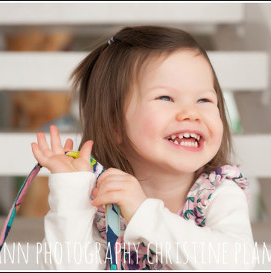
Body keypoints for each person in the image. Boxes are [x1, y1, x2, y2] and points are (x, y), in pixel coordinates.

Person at [33, 26, 255, 269]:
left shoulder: (217, 192)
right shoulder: (103, 198)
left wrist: (143, 212)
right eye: (166, 98)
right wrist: (71, 195)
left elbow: (236, 264)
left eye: (204, 100)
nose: (191, 113)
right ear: (115, 123)